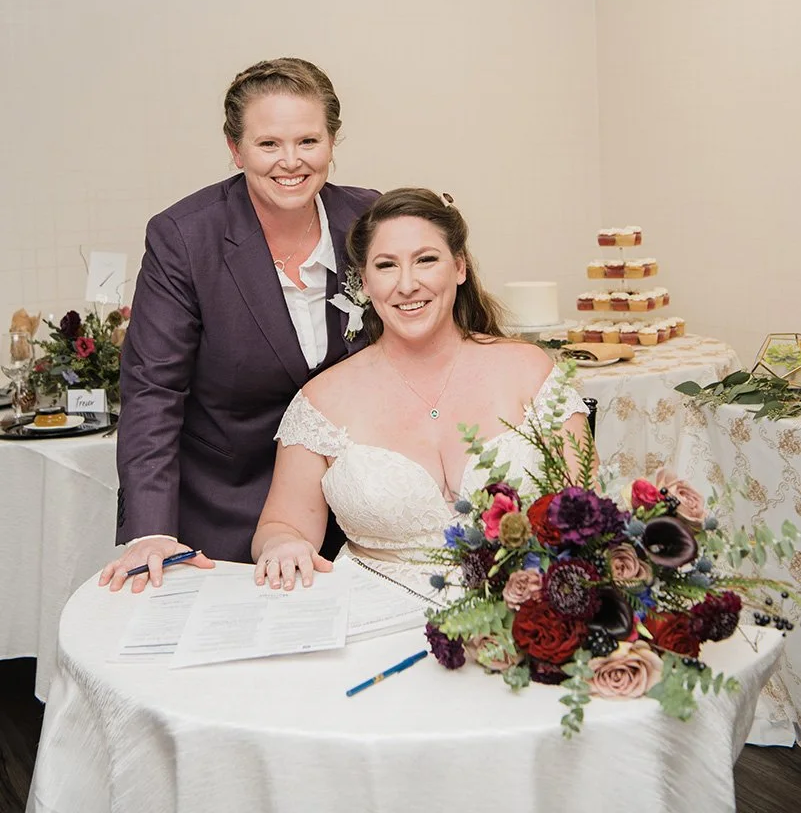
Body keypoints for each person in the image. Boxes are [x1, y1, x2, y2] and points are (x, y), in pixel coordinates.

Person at [100, 57, 379, 592]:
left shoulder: (368, 220)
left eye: (308, 140)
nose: (291, 161)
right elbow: (153, 390)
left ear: (332, 141)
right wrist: (152, 530)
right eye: (268, 143)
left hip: (355, 512)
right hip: (225, 512)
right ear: (235, 148)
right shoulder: (186, 237)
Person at [252, 188, 593, 597]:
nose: (407, 284)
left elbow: (589, 508)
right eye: (386, 265)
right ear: (365, 282)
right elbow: (281, 526)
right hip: (373, 613)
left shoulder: (530, 370)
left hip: (525, 609)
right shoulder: (321, 400)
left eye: (426, 260)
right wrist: (281, 544)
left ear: (459, 267)